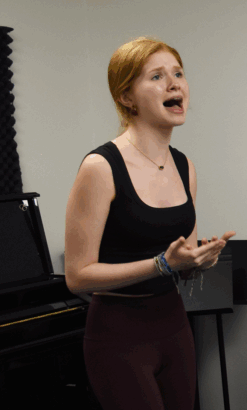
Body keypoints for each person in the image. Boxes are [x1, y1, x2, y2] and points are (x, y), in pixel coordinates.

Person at [64, 37, 235, 410]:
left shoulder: (184, 165)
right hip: (118, 336)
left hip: (174, 326)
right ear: (126, 96)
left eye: (178, 74)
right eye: (157, 76)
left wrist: (197, 261)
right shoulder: (100, 167)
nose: (174, 84)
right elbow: (77, 276)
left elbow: (180, 259)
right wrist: (162, 265)